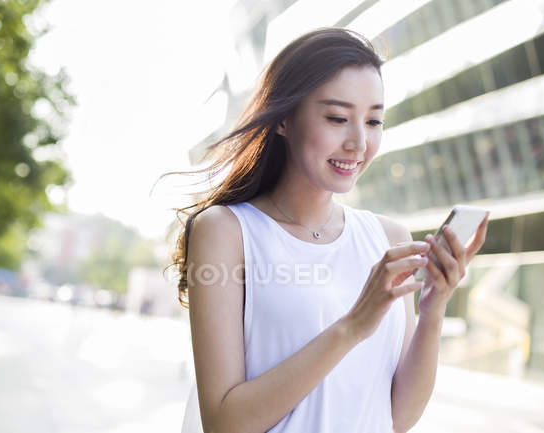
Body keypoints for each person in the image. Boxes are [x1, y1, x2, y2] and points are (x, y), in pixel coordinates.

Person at [161, 27, 489, 433]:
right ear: (283, 118)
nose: (359, 142)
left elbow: (396, 418)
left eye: (373, 121)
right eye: (337, 118)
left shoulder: (389, 238)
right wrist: (352, 326)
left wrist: (434, 309)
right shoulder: (226, 231)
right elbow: (224, 423)